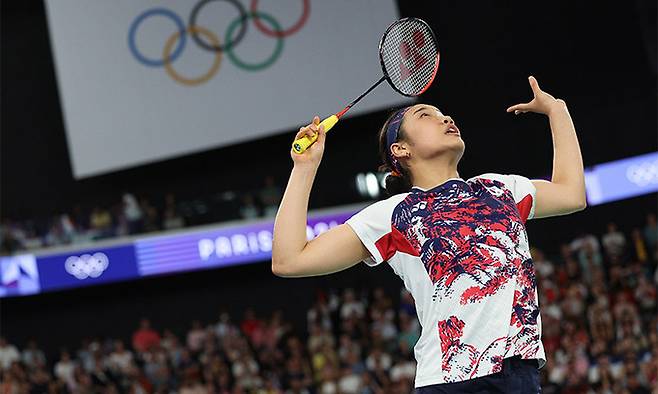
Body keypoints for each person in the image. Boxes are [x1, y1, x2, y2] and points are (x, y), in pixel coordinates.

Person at [273, 76, 587, 392]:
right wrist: (304, 167)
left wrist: (557, 110)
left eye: (444, 114)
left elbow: (572, 194)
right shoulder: (395, 214)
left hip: (520, 375)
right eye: (427, 115)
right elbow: (290, 260)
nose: (446, 119)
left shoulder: (502, 189)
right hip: (450, 382)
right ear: (401, 149)